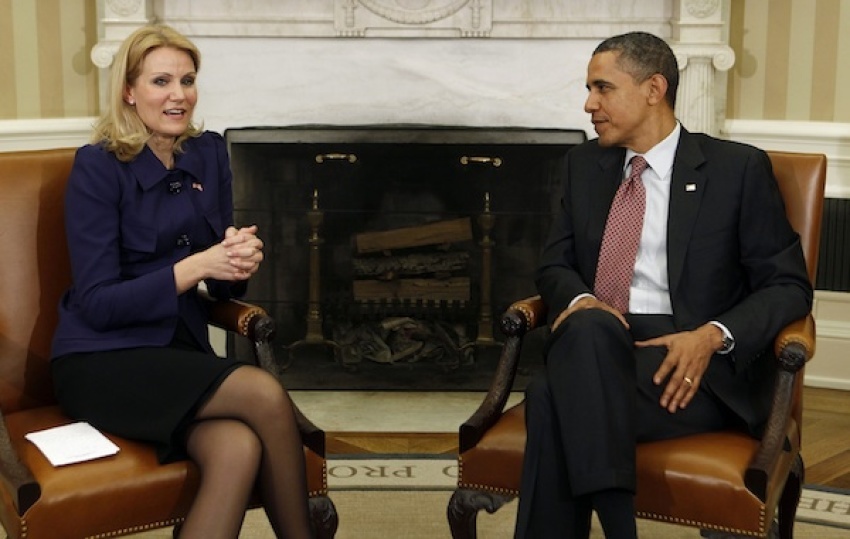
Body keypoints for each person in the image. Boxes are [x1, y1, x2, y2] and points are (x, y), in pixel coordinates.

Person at [514, 31, 812, 539]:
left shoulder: (735, 169)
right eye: (588, 90)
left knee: (548, 399)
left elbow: (787, 286)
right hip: (599, 341)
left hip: (691, 365)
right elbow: (554, 266)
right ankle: (619, 528)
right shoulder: (582, 165)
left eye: (603, 88)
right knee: (587, 332)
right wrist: (585, 301)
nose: (589, 105)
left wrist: (712, 335)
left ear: (654, 88)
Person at [50, 25, 312, 539]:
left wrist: (237, 262)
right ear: (129, 90)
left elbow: (223, 289)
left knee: (238, 447)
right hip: (101, 358)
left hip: (177, 351)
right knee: (262, 393)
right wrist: (200, 265)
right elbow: (98, 303)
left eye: (187, 80)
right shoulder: (97, 167)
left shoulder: (208, 153)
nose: (179, 95)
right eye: (161, 81)